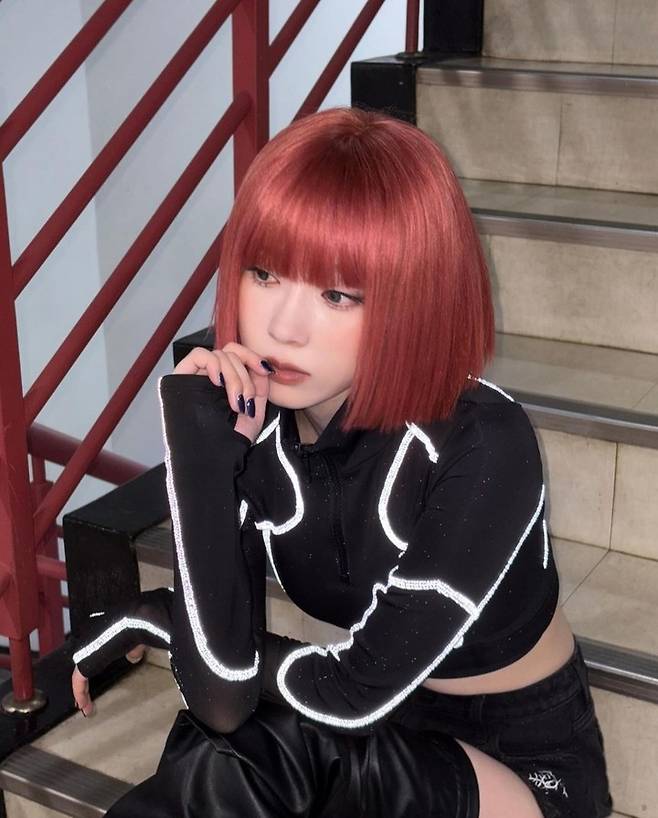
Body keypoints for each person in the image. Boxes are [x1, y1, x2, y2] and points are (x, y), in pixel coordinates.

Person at [70, 106, 612, 818]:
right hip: (387, 726)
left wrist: (161, 616)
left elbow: (347, 697)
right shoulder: (253, 429)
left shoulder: (483, 442)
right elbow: (222, 696)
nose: (283, 327)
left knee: (280, 750)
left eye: (335, 294)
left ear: (412, 297)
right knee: (220, 750)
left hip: (522, 766)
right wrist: (201, 455)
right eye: (265, 273)